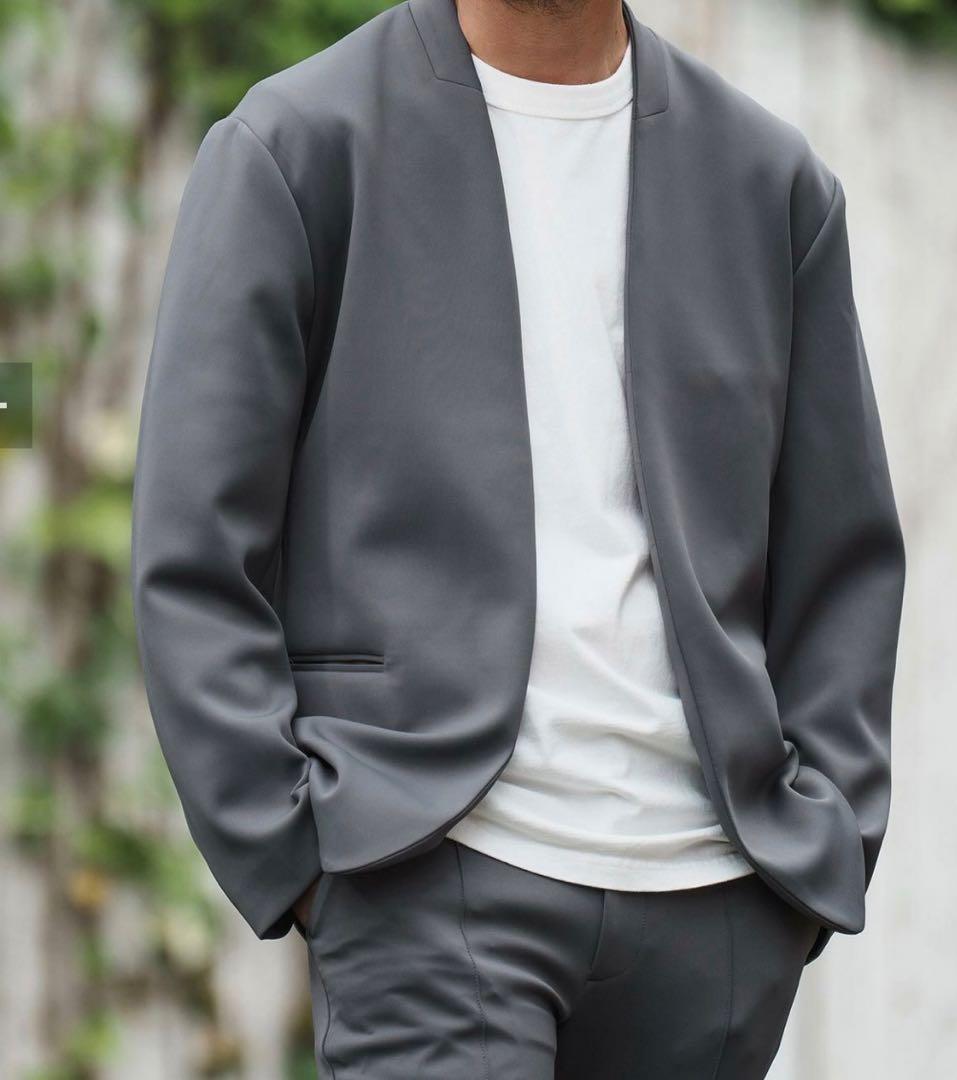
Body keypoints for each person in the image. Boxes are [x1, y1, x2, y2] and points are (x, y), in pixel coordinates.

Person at [131, 0, 905, 1075]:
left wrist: (816, 848)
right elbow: (195, 547)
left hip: (713, 917)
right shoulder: (299, 147)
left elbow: (841, 556)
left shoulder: (770, 182)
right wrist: (295, 853)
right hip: (428, 886)